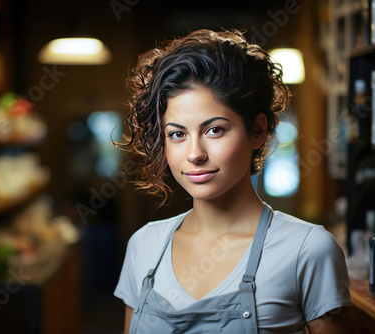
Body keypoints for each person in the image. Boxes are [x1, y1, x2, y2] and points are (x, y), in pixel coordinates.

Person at [113, 29, 353, 333]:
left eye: (214, 130)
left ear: (257, 131)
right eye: (177, 134)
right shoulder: (144, 246)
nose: (195, 154)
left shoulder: (308, 250)